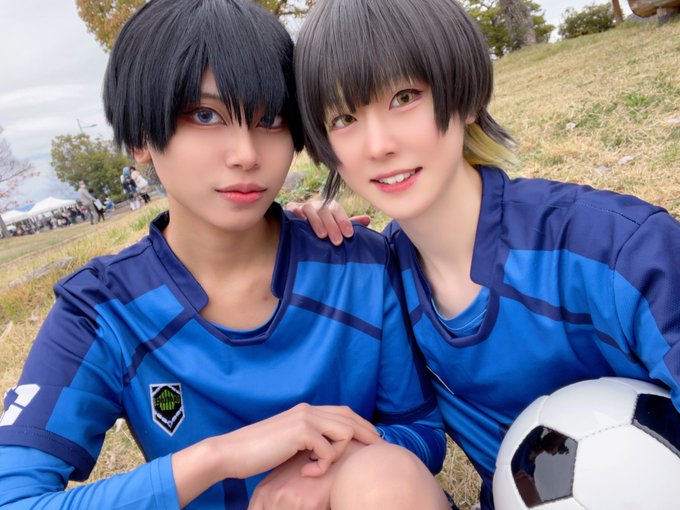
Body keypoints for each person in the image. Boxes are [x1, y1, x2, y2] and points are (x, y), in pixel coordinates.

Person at [0, 1, 449, 509]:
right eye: (205, 115)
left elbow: (420, 432)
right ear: (141, 137)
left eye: (269, 119)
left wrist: (338, 465)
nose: (246, 154)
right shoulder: (101, 310)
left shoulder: (357, 263)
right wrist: (219, 456)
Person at [290, 0, 680, 508]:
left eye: (405, 97)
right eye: (344, 118)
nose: (378, 145)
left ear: (467, 97)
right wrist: (295, 242)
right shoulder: (375, 285)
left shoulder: (617, 249)